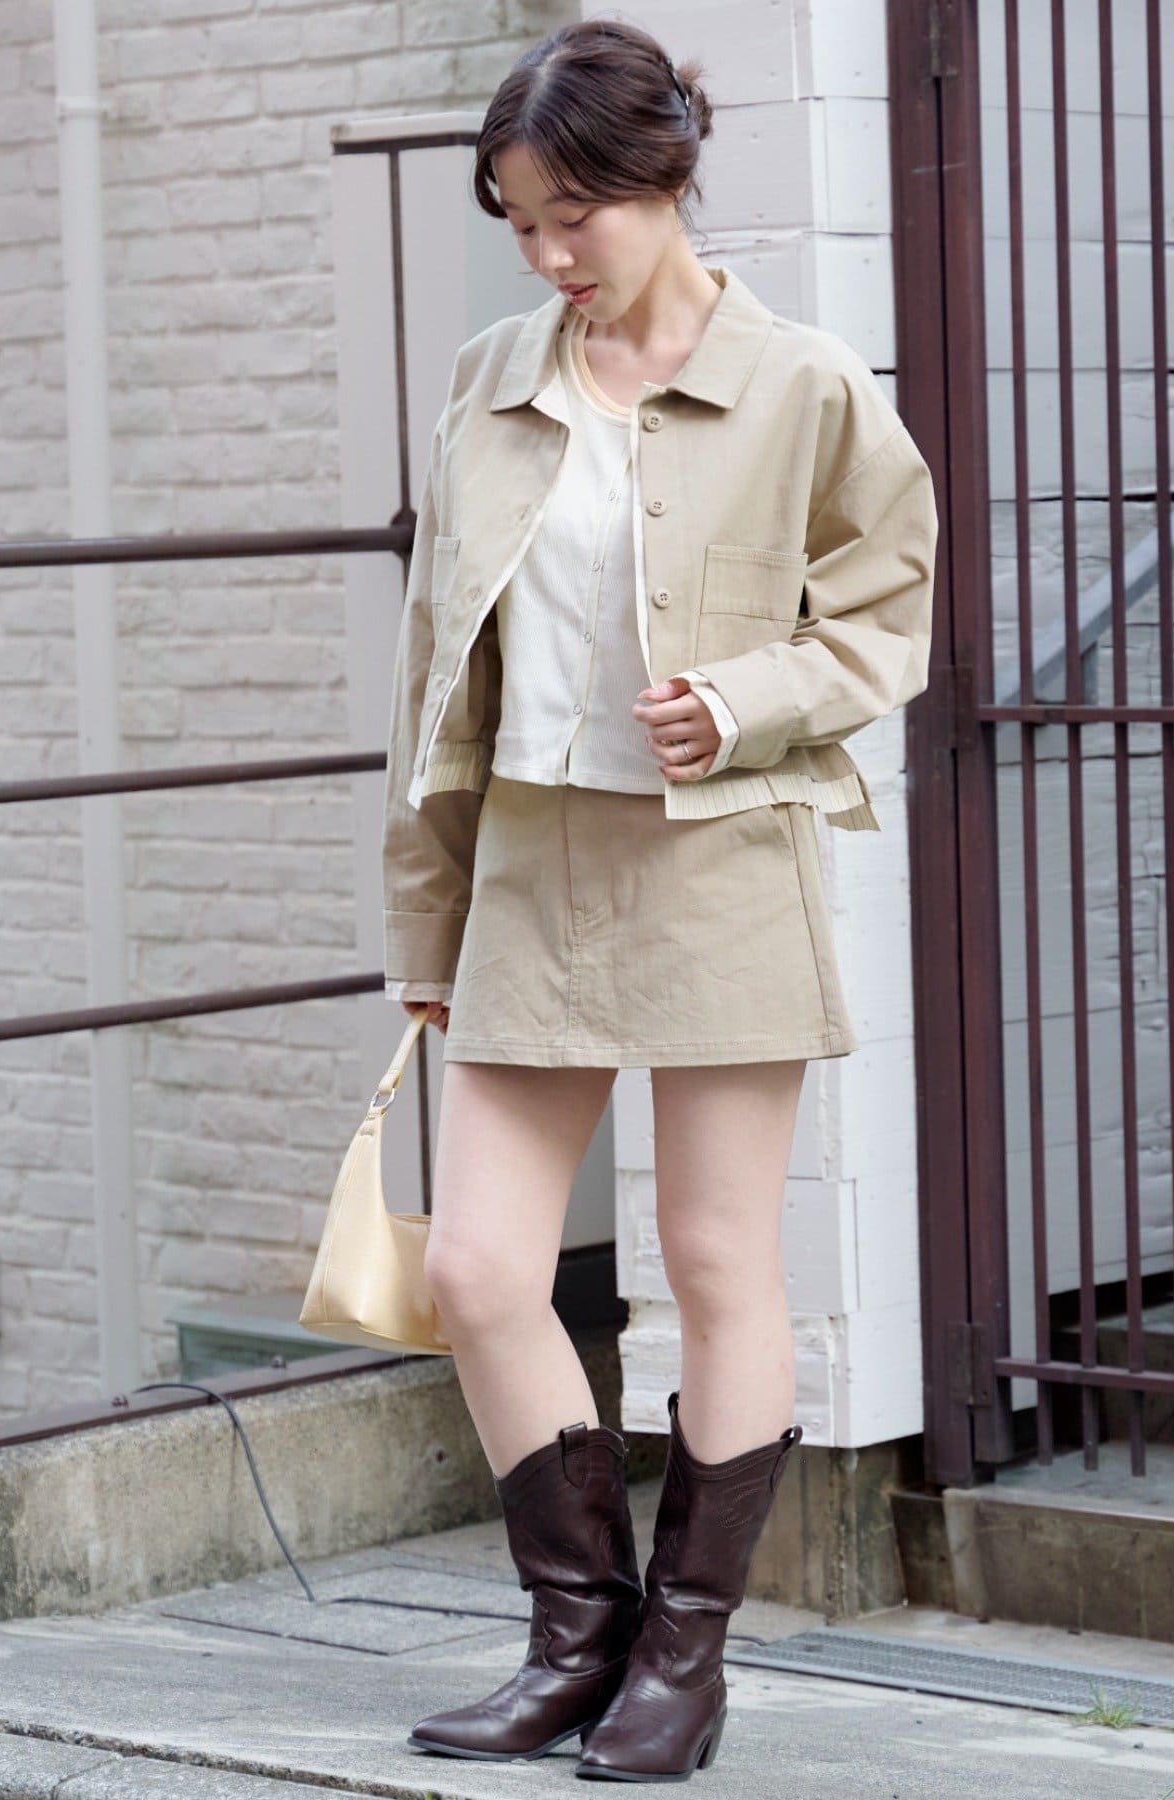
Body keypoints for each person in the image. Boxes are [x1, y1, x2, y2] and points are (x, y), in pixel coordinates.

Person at [380, 19, 938, 1781]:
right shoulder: (493, 379)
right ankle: (576, 1642)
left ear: (668, 180)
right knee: (478, 1264)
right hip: (530, 865)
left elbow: (890, 615)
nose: (551, 256)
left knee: (711, 1260)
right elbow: (436, 674)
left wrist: (748, 701)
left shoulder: (805, 385)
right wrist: (426, 921)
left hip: (714, 860)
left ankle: (682, 1662)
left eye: (578, 218)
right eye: (522, 224)